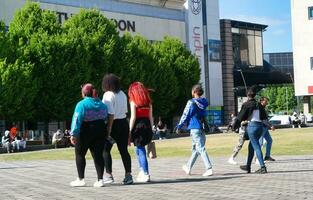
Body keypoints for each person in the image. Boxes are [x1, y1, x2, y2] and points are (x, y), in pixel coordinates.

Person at [69, 83, 108, 187]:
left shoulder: (81, 104)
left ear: (84, 93)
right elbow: (105, 116)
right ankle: (100, 180)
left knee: (80, 154)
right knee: (98, 155)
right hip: (100, 129)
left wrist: (73, 134)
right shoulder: (102, 104)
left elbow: (77, 119)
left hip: (85, 130)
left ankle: (81, 179)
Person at [102, 74, 133, 185]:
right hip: (123, 123)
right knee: (124, 151)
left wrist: (108, 129)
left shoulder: (108, 95)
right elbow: (125, 112)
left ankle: (109, 174)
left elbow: (110, 114)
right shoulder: (122, 94)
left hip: (113, 124)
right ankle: (128, 175)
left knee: (105, 150)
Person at [176, 84, 213, 177]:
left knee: (200, 148)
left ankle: (209, 168)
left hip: (194, 127)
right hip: (202, 127)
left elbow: (185, 114)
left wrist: (179, 126)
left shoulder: (191, 102)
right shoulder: (204, 102)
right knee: (196, 149)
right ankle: (188, 167)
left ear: (194, 92)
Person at [233, 87, 268, 174]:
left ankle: (263, 167)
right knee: (251, 146)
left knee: (256, 147)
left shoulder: (246, 104)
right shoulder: (259, 105)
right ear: (254, 95)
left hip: (252, 127)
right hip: (260, 127)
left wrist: (234, 126)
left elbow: (240, 117)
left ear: (247, 95)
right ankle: (248, 166)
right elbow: (264, 117)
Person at [128, 82, 154, 183]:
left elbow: (133, 117)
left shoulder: (133, 101)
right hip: (147, 125)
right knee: (139, 149)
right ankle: (142, 171)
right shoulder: (148, 102)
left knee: (140, 150)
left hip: (138, 127)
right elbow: (151, 117)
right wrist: (152, 129)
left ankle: (145, 172)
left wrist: (129, 131)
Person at [258, 97, 275, 162]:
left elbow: (266, 119)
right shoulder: (260, 108)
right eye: (266, 101)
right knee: (260, 143)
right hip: (261, 127)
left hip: (265, 127)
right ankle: (257, 158)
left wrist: (269, 125)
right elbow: (262, 119)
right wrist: (270, 126)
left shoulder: (263, 108)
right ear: (262, 101)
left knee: (269, 140)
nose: (267, 102)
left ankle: (267, 156)